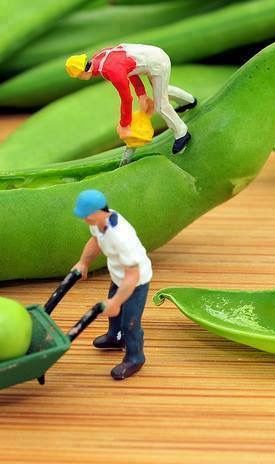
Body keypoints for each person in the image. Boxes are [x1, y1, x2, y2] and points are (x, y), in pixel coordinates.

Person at [72, 189, 152, 380]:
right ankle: (115, 337)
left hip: (136, 282)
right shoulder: (99, 224)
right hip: (118, 276)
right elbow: (95, 241)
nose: (85, 219)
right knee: (114, 315)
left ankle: (135, 357)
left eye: (86, 215)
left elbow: (133, 276)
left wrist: (116, 301)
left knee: (130, 322)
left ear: (98, 212)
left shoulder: (121, 237)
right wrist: (84, 262)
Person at [65, 44, 197, 154]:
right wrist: (142, 94)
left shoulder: (111, 71)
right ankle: (189, 101)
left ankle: (182, 133)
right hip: (153, 56)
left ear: (82, 72)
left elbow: (127, 99)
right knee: (162, 90)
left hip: (157, 63)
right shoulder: (100, 57)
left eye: (78, 76)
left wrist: (125, 124)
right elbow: (129, 70)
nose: (79, 78)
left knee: (160, 105)